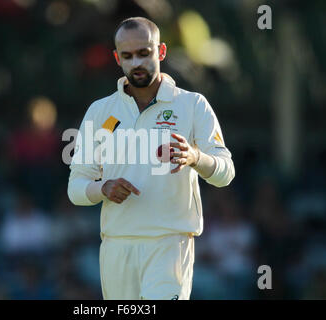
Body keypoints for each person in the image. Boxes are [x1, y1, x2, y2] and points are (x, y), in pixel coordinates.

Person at [67, 17, 235, 300]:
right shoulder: (100, 111)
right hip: (117, 245)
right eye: (128, 56)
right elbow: (76, 188)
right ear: (117, 58)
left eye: (144, 53)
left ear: (161, 52)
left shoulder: (192, 105)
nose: (136, 63)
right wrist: (103, 188)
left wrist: (195, 157)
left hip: (170, 244)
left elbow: (225, 173)